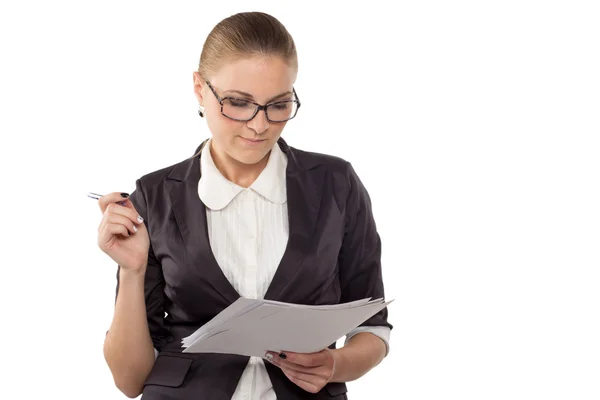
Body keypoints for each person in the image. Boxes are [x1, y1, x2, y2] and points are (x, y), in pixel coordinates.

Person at [97, 11, 392, 400]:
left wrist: (334, 365)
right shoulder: (154, 196)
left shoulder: (336, 184)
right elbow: (129, 381)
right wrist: (131, 271)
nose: (259, 125)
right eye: (238, 103)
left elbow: (372, 326)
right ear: (200, 90)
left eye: (279, 104)